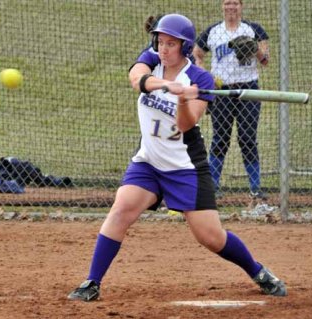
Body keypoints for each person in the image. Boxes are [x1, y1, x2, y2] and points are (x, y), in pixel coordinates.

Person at [68, 13, 286, 302]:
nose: (163, 48)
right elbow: (137, 79)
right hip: (148, 161)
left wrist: (184, 99)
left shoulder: (199, 78)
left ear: (184, 47)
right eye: (161, 41)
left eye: (171, 43)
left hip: (185, 167)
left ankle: (257, 271)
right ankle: (92, 282)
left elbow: (186, 124)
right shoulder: (151, 59)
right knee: (121, 209)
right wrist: (166, 86)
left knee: (211, 237)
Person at [193, 0, 270, 200]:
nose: (231, 6)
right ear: (222, 6)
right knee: (220, 139)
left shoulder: (254, 30)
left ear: (241, 6)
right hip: (222, 92)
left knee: (247, 138)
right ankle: (213, 187)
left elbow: (265, 61)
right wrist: (206, 78)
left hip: (248, 90)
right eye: (227, 2)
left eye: (235, 2)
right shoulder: (213, 31)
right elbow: (197, 54)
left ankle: (255, 190)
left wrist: (256, 49)